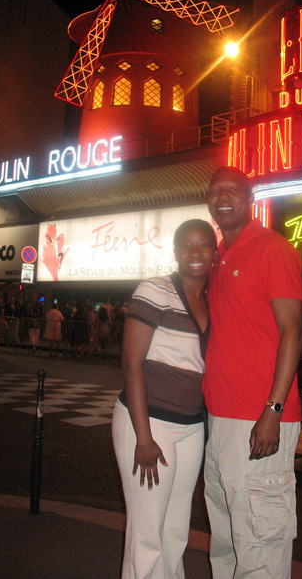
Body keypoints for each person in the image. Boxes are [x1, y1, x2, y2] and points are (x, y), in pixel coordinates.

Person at [203, 166, 302, 579]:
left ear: (250, 199)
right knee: (227, 536)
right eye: (215, 190)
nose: (223, 196)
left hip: (259, 418)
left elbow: (292, 332)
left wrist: (273, 410)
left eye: (233, 190)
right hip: (221, 419)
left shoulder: (271, 248)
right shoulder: (218, 257)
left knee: (260, 541)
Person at [112, 219, 215, 578]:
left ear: (215, 253)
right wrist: (143, 438)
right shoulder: (154, 290)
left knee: (175, 527)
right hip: (149, 422)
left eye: (204, 245)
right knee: (147, 531)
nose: (195, 253)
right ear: (175, 252)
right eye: (187, 245)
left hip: (191, 428)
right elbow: (131, 364)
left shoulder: (214, 301)